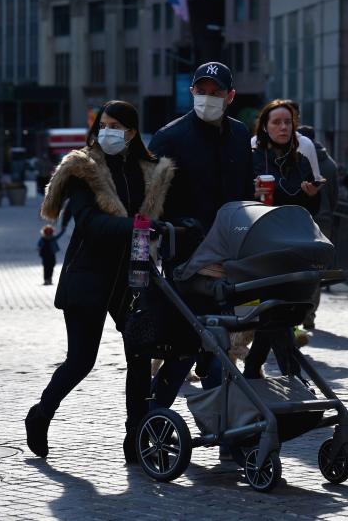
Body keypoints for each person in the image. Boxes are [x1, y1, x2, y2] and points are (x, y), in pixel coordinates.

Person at [25, 100, 174, 462]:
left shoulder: (148, 172)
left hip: (131, 278)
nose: (106, 131)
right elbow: (90, 223)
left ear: (132, 133)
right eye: (102, 124)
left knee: (140, 357)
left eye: (115, 126)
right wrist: (137, 226)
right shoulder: (83, 169)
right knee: (81, 359)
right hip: (88, 276)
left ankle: (136, 438)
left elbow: (161, 218)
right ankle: (40, 414)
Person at [147, 61, 254, 446]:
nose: (207, 97)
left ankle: (224, 428)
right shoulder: (169, 137)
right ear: (192, 92)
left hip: (231, 256)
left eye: (215, 91)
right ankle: (154, 419)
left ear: (230, 96)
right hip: (188, 258)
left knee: (215, 345)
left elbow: (245, 193)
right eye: (201, 90)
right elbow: (149, 203)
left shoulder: (240, 135)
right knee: (191, 345)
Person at [242, 100, 322, 377]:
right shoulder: (252, 157)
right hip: (261, 244)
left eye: (287, 122)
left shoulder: (300, 160)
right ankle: (292, 372)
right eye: (276, 122)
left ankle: (254, 367)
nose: (283, 127)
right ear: (265, 126)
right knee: (276, 308)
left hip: (293, 246)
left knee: (279, 310)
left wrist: (312, 195)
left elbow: (312, 210)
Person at [299, 125, 338, 240]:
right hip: (324, 219)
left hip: (301, 220)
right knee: (321, 256)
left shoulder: (297, 159)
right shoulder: (330, 163)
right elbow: (334, 195)